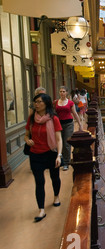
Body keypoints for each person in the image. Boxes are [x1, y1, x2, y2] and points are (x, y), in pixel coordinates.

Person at [25, 93, 63, 222]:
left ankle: (56, 196)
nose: (36, 104)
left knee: (55, 177)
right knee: (39, 182)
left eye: (39, 102)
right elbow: (26, 135)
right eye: (35, 101)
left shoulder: (54, 119)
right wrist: (27, 140)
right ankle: (41, 210)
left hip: (50, 153)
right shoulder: (31, 119)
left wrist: (59, 155)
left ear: (45, 104)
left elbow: (59, 139)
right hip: (35, 154)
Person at [54, 86, 83, 171]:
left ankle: (66, 162)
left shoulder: (70, 103)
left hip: (68, 124)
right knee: (59, 142)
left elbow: (74, 113)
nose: (62, 93)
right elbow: (54, 114)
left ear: (66, 93)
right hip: (59, 124)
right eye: (60, 91)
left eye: (63, 91)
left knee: (66, 143)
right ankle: (60, 160)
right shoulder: (56, 102)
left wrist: (80, 124)